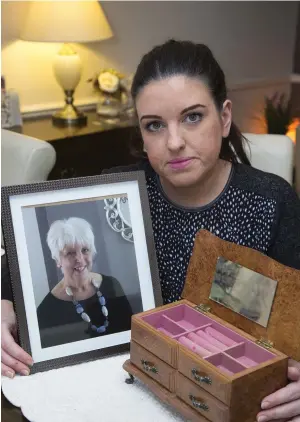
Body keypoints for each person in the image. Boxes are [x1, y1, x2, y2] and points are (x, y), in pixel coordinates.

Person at [2, 40, 300, 421]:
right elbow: (16, 261)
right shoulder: (116, 194)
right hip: (130, 385)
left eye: (193, 117)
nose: (173, 142)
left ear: (224, 118)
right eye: (155, 125)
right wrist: (4, 304)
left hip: (226, 395)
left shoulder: (271, 202)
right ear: (141, 134)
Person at [36, 217, 133, 348]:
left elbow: (132, 332)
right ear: (57, 260)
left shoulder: (111, 284)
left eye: (85, 250)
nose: (79, 259)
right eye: (70, 253)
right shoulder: (46, 310)